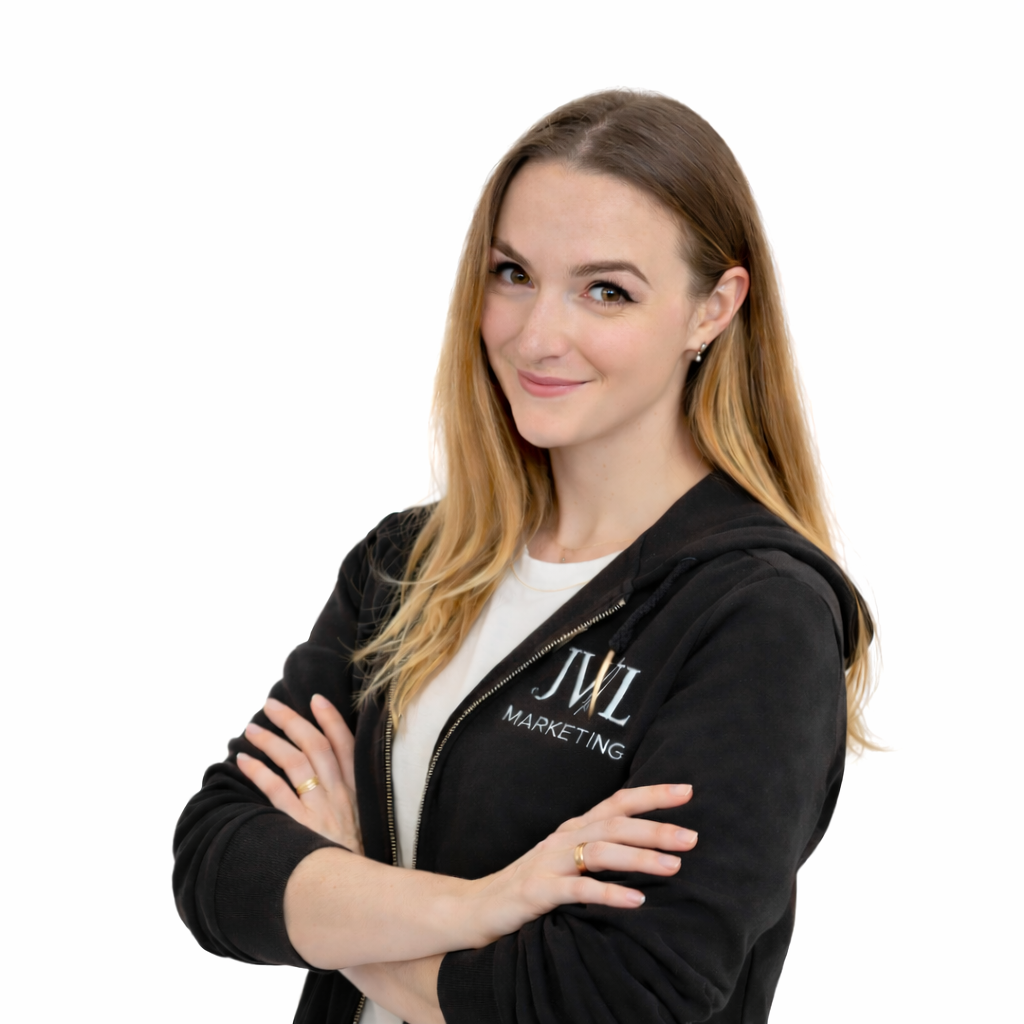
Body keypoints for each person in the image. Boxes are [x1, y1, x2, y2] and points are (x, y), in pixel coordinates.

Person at [173, 89, 876, 1024]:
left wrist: (345, 893)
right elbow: (218, 864)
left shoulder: (758, 615)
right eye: (512, 274)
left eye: (606, 290)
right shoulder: (407, 564)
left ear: (713, 308)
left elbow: (607, 996)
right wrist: (486, 903)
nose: (536, 336)